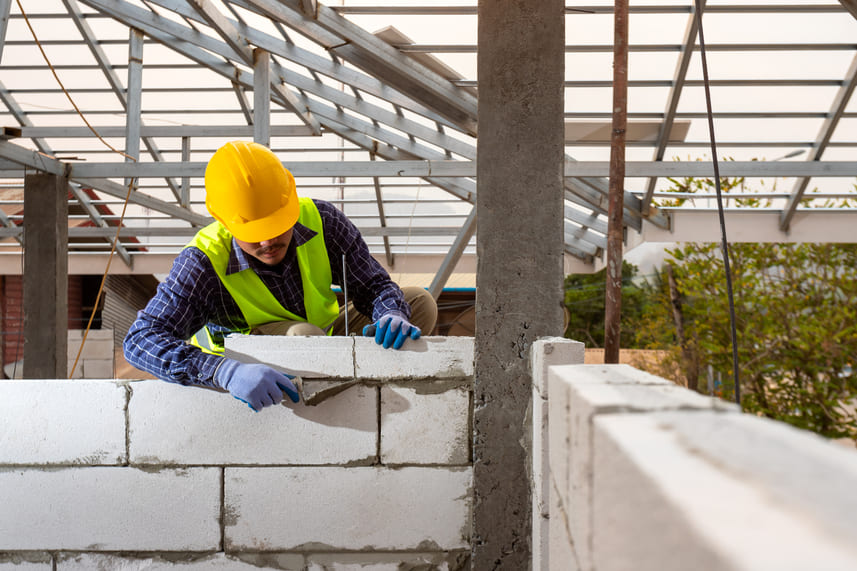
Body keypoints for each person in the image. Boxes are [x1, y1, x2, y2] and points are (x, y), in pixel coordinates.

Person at [124, 141, 437, 412]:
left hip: (323, 338)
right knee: (303, 336)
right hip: (251, 362)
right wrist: (223, 371)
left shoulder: (323, 221)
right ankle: (327, 393)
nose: (266, 243)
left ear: (289, 201)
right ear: (224, 221)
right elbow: (140, 340)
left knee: (419, 302)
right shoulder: (202, 262)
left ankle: (361, 387)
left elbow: (374, 285)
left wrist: (391, 313)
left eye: (274, 227)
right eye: (252, 234)